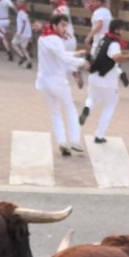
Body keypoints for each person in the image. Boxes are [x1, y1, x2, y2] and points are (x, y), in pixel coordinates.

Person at [84, 18, 129, 144]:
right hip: (107, 80)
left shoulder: (104, 39)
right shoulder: (114, 44)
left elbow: (112, 53)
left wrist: (127, 52)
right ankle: (99, 135)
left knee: (92, 98)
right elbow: (117, 57)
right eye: (123, 29)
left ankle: (87, 109)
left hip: (93, 77)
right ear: (118, 30)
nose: (124, 32)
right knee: (110, 106)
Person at [36, 14, 89, 156]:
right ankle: (75, 141)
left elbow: (59, 56)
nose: (65, 28)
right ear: (54, 26)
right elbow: (63, 57)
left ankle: (62, 142)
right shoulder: (55, 40)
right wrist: (81, 62)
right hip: (57, 81)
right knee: (70, 109)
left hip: (44, 81)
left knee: (55, 113)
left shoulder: (43, 38)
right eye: (62, 25)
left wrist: (76, 55)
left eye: (66, 25)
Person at [80, 0, 115, 125]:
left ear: (100, 2)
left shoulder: (100, 12)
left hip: (99, 43)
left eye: (94, 1)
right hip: (106, 43)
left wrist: (89, 36)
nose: (92, 4)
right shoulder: (106, 11)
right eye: (91, 1)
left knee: (95, 67)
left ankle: (95, 92)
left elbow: (99, 25)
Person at [12, 0, 32, 68]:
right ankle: (29, 61)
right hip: (27, 33)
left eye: (18, 1)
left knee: (14, 43)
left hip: (23, 33)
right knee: (23, 47)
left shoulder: (22, 12)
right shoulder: (23, 11)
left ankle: (22, 56)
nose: (17, 3)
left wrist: (19, 32)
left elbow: (23, 23)